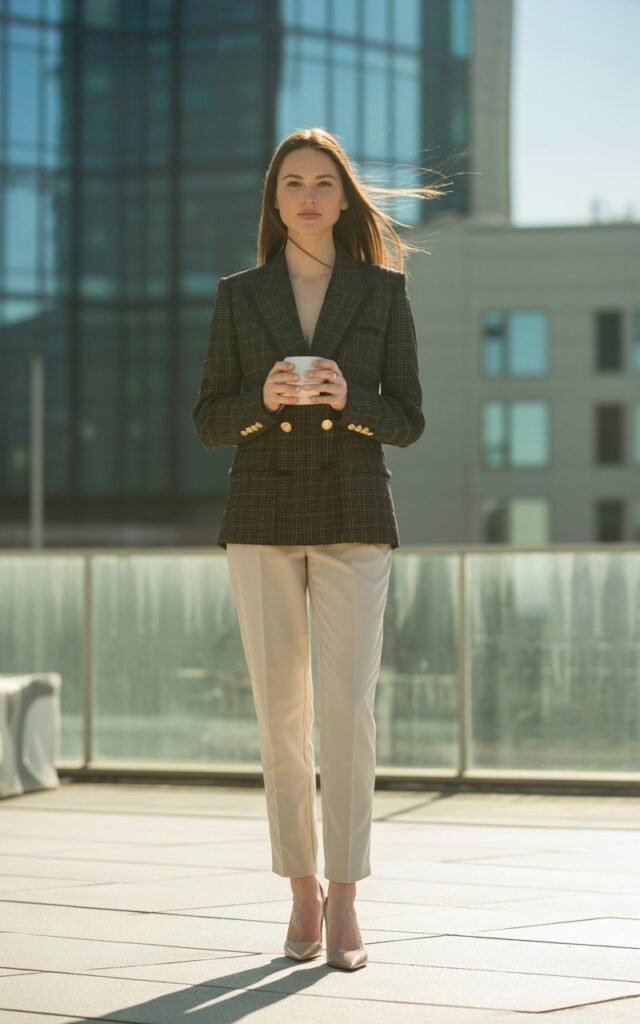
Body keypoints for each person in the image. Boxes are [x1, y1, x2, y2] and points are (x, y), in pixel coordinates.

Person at [192, 127, 446, 970]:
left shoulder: (383, 293)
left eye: (323, 183)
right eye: (293, 182)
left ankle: (346, 898)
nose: (308, 195)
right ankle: (299, 891)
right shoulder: (238, 295)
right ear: (275, 199)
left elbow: (407, 420)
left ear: (343, 199)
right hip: (261, 515)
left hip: (352, 512)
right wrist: (262, 399)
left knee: (347, 713)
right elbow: (207, 421)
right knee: (282, 721)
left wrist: (350, 398)